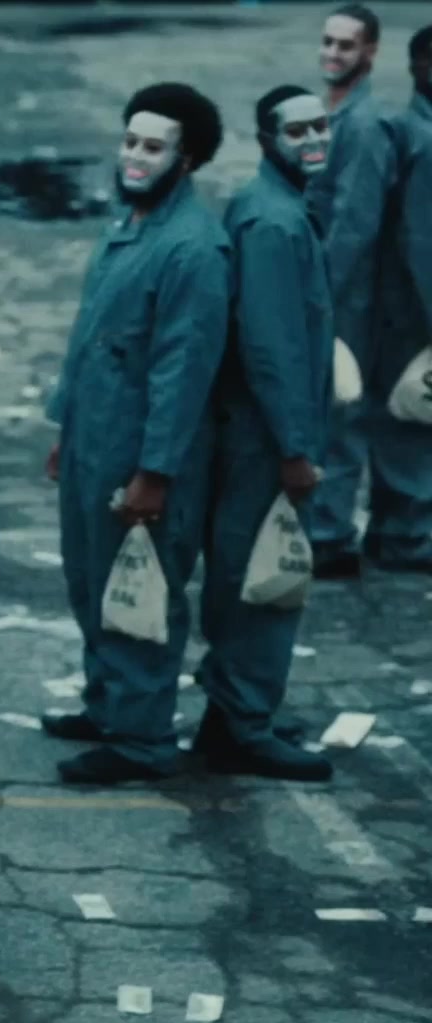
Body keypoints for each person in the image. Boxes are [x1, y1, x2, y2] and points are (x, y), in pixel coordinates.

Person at [40, 84, 231, 785]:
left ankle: (143, 739)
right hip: (94, 439)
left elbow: (183, 370)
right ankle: (108, 708)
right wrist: (66, 426)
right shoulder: (130, 225)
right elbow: (93, 336)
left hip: (142, 454)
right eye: (130, 141)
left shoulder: (194, 248)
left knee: (140, 592)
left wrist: (155, 472)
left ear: (188, 160)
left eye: (154, 147)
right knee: (91, 580)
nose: (135, 157)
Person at [192, 87, 337, 782]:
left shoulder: (278, 207)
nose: (313, 140)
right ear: (265, 139)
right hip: (267, 436)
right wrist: (296, 448)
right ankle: (242, 727)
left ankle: (232, 714)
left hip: (266, 430)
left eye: (320, 127)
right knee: (264, 579)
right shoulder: (273, 222)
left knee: (249, 574)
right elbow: (270, 346)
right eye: (296, 131)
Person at [308, 4, 397, 577]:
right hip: (325, 289)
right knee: (322, 413)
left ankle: (331, 536)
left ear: (370, 53)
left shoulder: (364, 126)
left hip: (346, 296)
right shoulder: (329, 115)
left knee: (340, 416)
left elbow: (354, 223)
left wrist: (321, 296)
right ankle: (322, 527)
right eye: (328, 42)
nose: (333, 53)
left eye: (346, 45)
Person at [366, 24, 432, 570]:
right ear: (414, 66)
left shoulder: (406, 129)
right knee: (410, 421)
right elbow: (421, 238)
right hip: (413, 306)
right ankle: (405, 539)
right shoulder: (419, 136)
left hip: (401, 302)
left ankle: (395, 532)